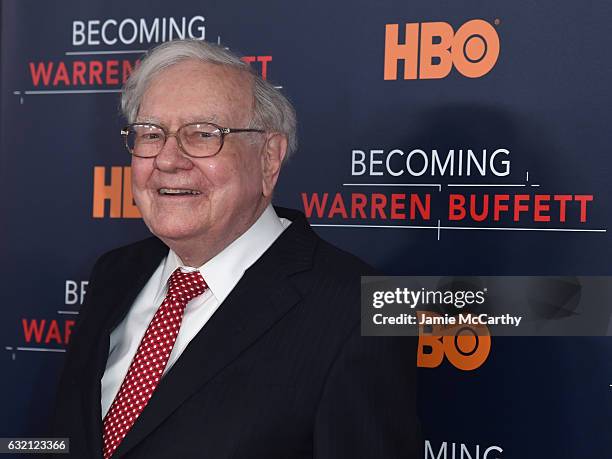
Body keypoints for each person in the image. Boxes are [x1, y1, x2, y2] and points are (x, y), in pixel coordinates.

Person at [52, 39, 421, 458]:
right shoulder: (114, 273)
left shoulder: (356, 308)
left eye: (204, 135)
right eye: (151, 134)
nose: (169, 159)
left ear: (269, 158)